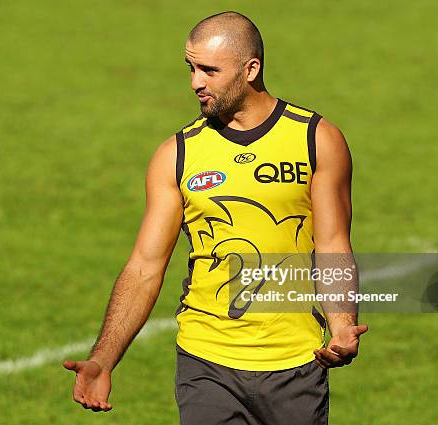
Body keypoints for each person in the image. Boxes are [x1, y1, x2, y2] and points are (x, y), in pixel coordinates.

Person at [63, 11, 368, 425]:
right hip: (206, 362)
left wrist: (341, 325)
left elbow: (332, 244)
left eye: (209, 70)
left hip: (295, 364)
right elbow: (145, 266)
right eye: (190, 68)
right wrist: (103, 359)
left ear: (251, 69)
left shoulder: (316, 140)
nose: (195, 82)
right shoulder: (177, 155)